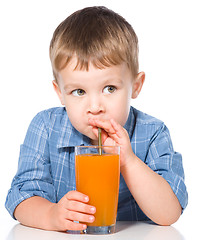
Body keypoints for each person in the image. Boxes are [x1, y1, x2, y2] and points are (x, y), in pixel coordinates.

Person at [5, 6, 188, 231]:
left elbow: (169, 213)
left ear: (136, 86)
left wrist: (128, 161)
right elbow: (21, 198)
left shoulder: (152, 133)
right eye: (79, 92)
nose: (94, 107)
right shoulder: (46, 127)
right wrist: (52, 215)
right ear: (60, 92)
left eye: (109, 88)